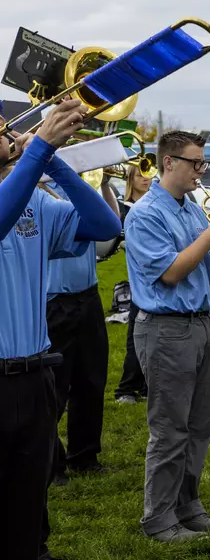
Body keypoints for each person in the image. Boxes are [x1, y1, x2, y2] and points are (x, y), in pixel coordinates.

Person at [0, 99, 121, 560]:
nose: (10, 133)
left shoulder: (33, 197)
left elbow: (105, 225)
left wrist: (57, 163)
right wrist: (39, 148)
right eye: (1, 129)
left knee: (29, 515)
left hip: (33, 379)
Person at [125, 130, 210, 542]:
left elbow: (205, 269)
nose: (200, 171)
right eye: (195, 163)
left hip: (199, 323)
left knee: (198, 426)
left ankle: (188, 508)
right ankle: (158, 519)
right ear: (169, 162)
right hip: (166, 328)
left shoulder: (189, 207)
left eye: (202, 163)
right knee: (170, 430)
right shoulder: (145, 213)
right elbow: (171, 273)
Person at [45, 170, 120, 485]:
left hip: (86, 296)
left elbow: (111, 232)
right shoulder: (41, 189)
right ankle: (52, 464)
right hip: (53, 300)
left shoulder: (80, 188)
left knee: (92, 381)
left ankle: (85, 455)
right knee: (54, 389)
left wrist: (102, 182)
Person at [114, 164, 153, 404]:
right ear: (130, 179)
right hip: (139, 278)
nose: (146, 178)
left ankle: (147, 386)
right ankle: (126, 389)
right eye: (140, 174)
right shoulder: (125, 207)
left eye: (148, 173)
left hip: (154, 278)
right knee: (135, 336)